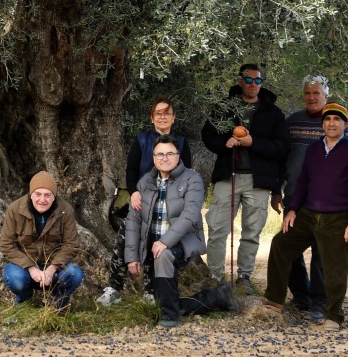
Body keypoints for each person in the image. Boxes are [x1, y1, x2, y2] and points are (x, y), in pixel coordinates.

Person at [263, 104, 348, 331]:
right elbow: (303, 183)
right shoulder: (313, 149)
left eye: (337, 120)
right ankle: (274, 299)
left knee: (334, 267)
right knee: (281, 244)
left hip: (338, 218)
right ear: (322, 125)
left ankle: (333, 315)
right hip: (308, 214)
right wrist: (292, 209)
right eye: (327, 119)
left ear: (345, 125)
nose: (331, 123)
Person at [125, 135, 237, 327]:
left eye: (170, 153)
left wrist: (165, 242)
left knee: (165, 256)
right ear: (153, 158)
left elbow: (190, 214)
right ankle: (216, 297)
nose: (164, 158)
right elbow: (134, 221)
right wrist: (132, 256)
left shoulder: (192, 179)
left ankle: (170, 316)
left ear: (178, 156)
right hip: (153, 246)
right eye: (159, 154)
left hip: (183, 242)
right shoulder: (145, 182)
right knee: (162, 299)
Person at [98, 96, 193, 307]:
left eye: (167, 113)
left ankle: (150, 290)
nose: (162, 117)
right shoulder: (142, 140)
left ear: (173, 117)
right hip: (142, 200)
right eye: (158, 113)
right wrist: (133, 192)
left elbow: (186, 175)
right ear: (152, 118)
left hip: (168, 205)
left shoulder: (182, 143)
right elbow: (131, 170)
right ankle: (114, 287)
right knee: (125, 238)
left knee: (156, 242)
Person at [201, 63, 288, 293]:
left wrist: (254, 143)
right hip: (227, 177)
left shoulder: (273, 112)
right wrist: (224, 143)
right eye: (248, 80)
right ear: (240, 81)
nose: (253, 84)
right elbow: (207, 135)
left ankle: (244, 278)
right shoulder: (224, 107)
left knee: (252, 232)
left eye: (258, 80)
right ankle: (215, 277)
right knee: (218, 228)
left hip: (258, 182)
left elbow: (281, 147)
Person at [277, 74, 348, 320]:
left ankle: (321, 303)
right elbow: (281, 158)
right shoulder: (292, 122)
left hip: (328, 203)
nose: (311, 97)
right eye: (307, 93)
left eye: (316, 93)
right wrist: (276, 190)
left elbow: (347, 162)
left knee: (323, 253)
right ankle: (301, 297)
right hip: (295, 198)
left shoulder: (339, 123)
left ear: (326, 96)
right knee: (289, 248)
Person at [0, 171, 84, 310]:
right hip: (24, 267)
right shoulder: (15, 209)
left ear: (54, 196)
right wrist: (31, 268)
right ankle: (25, 303)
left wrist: (52, 269)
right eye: (38, 194)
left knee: (74, 274)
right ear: (31, 194)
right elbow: (6, 245)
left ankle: (58, 305)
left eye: (47, 195)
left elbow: (71, 245)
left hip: (54, 266)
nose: (42, 200)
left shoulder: (65, 210)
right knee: (16, 279)